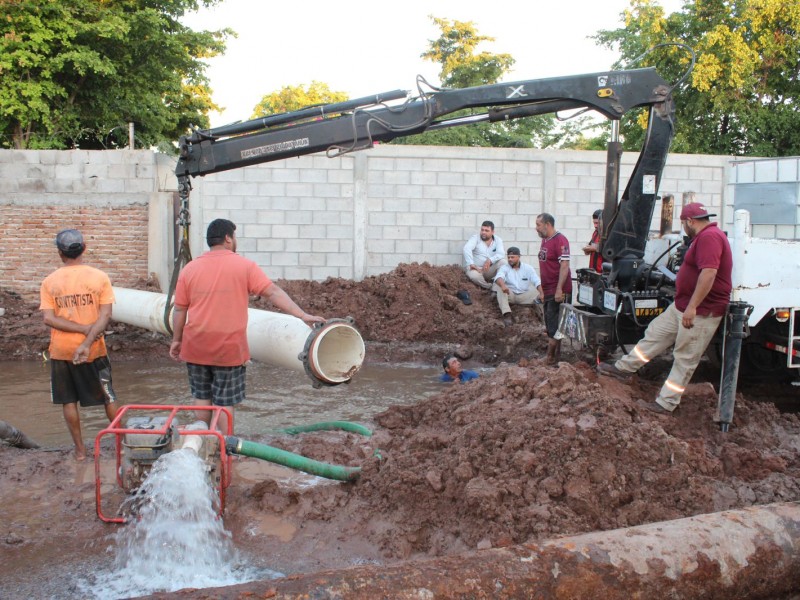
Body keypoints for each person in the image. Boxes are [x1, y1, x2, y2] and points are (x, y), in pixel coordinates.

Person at [169, 219, 325, 433]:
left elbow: (179, 310)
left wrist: (177, 340)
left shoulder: (190, 269)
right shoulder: (244, 266)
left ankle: (202, 442)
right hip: (228, 348)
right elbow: (273, 292)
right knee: (224, 403)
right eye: (235, 236)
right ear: (227, 238)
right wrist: (302, 315)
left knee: (201, 397)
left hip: (196, 345)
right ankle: (226, 449)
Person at [597, 202, 732, 415]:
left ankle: (666, 403)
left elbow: (709, 274)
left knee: (685, 357)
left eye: (683, 224)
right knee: (654, 334)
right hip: (681, 306)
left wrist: (692, 307)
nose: (683, 228)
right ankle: (623, 369)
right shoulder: (702, 237)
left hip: (700, 311)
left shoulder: (710, 238)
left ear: (690, 222)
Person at [39, 229, 118, 460]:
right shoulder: (99, 277)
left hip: (62, 351)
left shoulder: (49, 281)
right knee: (109, 397)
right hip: (95, 349)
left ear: (60, 253)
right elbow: (105, 316)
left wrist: (81, 331)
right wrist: (88, 334)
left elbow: (49, 318)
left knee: (68, 400)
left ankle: (81, 452)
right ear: (83, 248)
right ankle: (121, 444)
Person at [535, 213, 573, 365]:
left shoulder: (560, 240)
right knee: (551, 323)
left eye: (538, 225)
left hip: (558, 290)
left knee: (554, 324)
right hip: (548, 289)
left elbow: (564, 266)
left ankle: (550, 358)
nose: (536, 228)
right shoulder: (545, 240)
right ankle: (555, 358)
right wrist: (542, 290)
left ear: (548, 224)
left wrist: (559, 290)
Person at [493, 247, 543, 327]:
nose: (510, 259)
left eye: (512, 257)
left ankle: (541, 316)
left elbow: (536, 281)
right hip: (510, 295)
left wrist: (542, 293)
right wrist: (503, 286)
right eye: (508, 257)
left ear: (519, 257)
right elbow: (499, 277)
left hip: (524, 296)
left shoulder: (528, 268)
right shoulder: (504, 267)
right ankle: (507, 314)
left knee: (540, 291)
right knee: (499, 287)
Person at [463, 220, 507, 290]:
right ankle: (489, 287)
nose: (483, 232)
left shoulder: (498, 240)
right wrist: (471, 263)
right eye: (482, 230)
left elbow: (501, 254)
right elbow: (466, 248)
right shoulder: (475, 238)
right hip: (476, 269)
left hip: (489, 270)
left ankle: (497, 284)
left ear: (492, 232)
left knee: (503, 262)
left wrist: (490, 260)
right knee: (473, 276)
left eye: (486, 231)